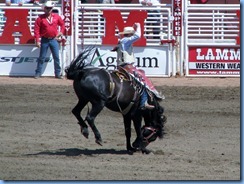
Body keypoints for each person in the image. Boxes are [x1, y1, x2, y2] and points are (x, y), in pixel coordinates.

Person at [113, 23, 162, 110]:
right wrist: (138, 26)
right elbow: (138, 36)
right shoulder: (126, 41)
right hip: (127, 67)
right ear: (130, 34)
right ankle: (144, 102)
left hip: (121, 66)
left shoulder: (121, 41)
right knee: (142, 82)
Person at [34, 1, 65, 79]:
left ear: (52, 9)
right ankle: (38, 73)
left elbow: (62, 25)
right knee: (42, 57)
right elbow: (36, 30)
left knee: (56, 57)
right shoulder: (40, 18)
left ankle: (57, 73)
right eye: (47, 8)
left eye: (50, 8)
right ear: (44, 9)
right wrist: (37, 40)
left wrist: (61, 32)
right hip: (45, 39)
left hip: (54, 39)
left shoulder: (56, 17)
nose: (49, 10)